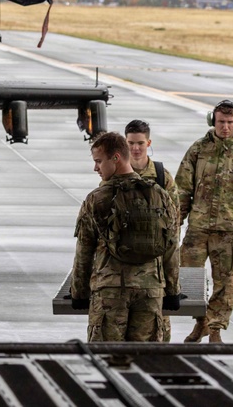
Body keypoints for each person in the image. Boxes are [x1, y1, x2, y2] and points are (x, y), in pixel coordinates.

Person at [70, 132, 181, 342]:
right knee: (144, 359)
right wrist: (173, 291)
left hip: (110, 292)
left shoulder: (97, 199)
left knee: (106, 359)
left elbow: (84, 250)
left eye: (99, 161)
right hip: (150, 290)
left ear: (116, 158)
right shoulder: (159, 195)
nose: (96, 168)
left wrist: (79, 293)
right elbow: (171, 246)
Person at [176, 100, 233, 343]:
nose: (226, 127)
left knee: (224, 283)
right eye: (221, 122)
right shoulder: (198, 149)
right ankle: (201, 323)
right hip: (198, 228)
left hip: (228, 231)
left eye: (230, 122)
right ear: (212, 121)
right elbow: (182, 189)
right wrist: (175, 224)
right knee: (189, 277)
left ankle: (215, 329)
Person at [124, 119, 175, 341]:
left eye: (140, 143)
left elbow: (173, 230)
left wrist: (173, 286)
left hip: (155, 269)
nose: (135, 148)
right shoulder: (116, 174)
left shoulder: (162, 177)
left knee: (158, 332)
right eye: (130, 143)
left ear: (149, 143)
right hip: (123, 268)